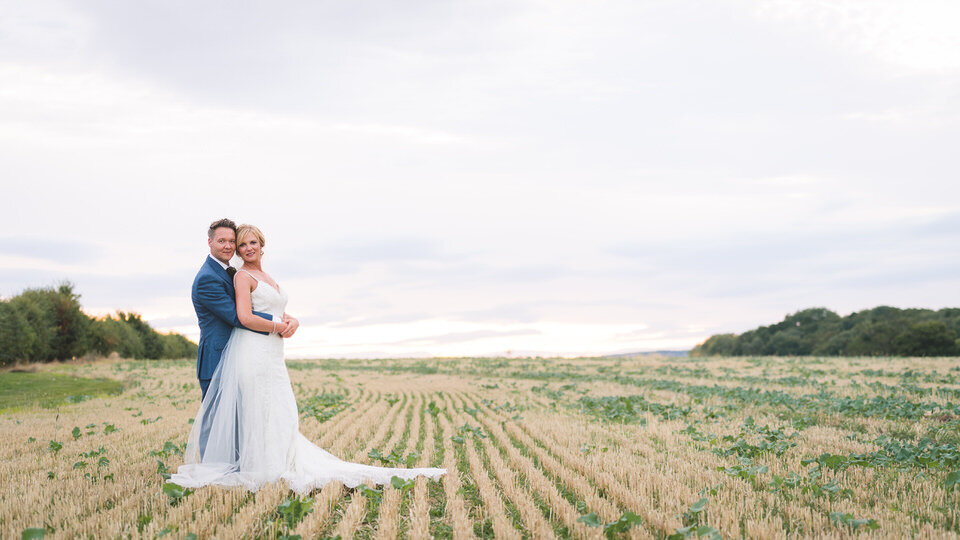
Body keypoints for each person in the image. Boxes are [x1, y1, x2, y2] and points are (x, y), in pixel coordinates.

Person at [170, 224, 446, 493]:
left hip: (264, 352)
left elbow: (254, 307)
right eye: (229, 242)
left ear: (262, 244)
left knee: (265, 411)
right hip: (223, 355)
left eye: (242, 242)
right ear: (210, 243)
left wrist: (289, 319)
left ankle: (254, 463)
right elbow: (238, 316)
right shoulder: (214, 276)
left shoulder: (239, 273)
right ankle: (216, 469)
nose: (235, 246)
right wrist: (281, 324)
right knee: (218, 418)